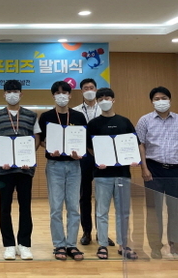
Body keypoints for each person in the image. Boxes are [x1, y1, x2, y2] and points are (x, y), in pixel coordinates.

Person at [136, 86, 178, 259]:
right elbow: (140, 145)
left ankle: (177, 244)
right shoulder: (145, 120)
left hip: (176, 170)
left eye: (163, 98)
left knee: (176, 209)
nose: (160, 101)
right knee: (153, 210)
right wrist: (144, 167)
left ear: (170, 100)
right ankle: (155, 246)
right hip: (153, 169)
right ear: (151, 102)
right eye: (156, 99)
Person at [0, 80, 40, 261]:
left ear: (21, 94)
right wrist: (1, 158)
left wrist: (28, 157)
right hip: (4, 171)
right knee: (5, 207)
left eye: (16, 91)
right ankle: (9, 245)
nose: (12, 94)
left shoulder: (31, 115)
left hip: (25, 170)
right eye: (9, 91)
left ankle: (24, 244)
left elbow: (37, 137)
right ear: (4, 94)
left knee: (25, 207)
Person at [86, 87, 139, 260]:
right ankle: (102, 244)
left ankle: (123, 244)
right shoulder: (93, 124)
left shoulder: (125, 122)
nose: (104, 101)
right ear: (97, 102)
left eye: (107, 98)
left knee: (123, 212)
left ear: (113, 100)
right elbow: (89, 147)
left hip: (123, 173)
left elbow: (133, 143)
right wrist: (98, 159)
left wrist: (133, 158)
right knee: (101, 212)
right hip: (102, 175)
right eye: (100, 98)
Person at [38, 80, 87, 261]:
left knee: (74, 206)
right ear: (53, 96)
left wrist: (79, 153)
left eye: (65, 92)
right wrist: (49, 148)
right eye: (58, 93)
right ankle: (59, 244)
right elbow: (41, 140)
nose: (61, 96)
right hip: (54, 165)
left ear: (70, 95)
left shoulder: (79, 117)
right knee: (56, 207)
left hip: (74, 166)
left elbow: (83, 140)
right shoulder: (46, 117)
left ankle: (72, 244)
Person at [72, 78, 108, 246]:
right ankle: (86, 231)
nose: (89, 90)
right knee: (84, 195)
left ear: (96, 89)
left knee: (102, 196)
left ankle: (102, 232)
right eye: (85, 88)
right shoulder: (75, 111)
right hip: (83, 157)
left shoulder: (104, 109)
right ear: (81, 91)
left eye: (92, 88)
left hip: (103, 156)